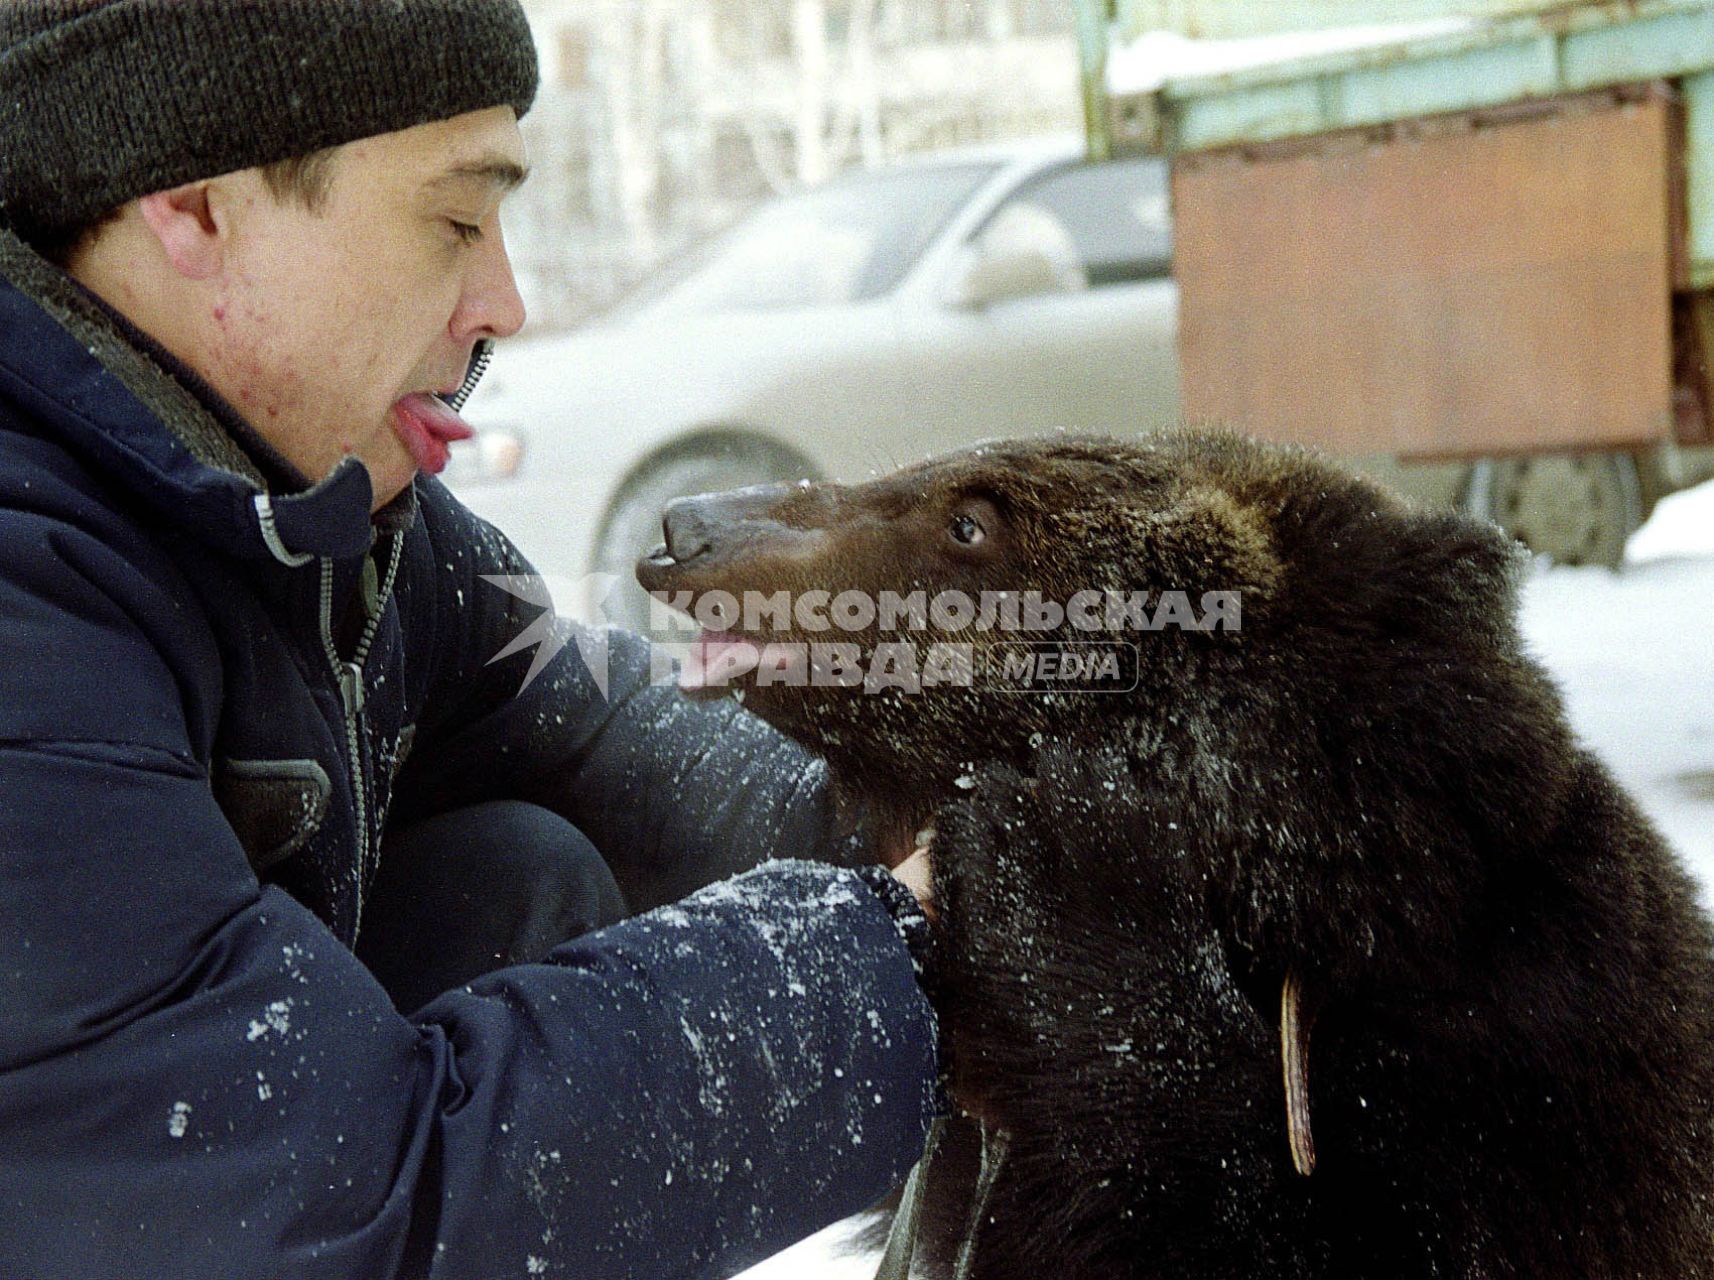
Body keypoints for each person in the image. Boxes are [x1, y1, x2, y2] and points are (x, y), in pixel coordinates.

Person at [0, 3, 940, 1277]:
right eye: (453, 220)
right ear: (198, 206)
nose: (504, 302)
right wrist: (905, 964)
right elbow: (322, 1216)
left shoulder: (327, 516)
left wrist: (925, 823)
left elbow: (591, 723)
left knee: (513, 870)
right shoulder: (30, 591)